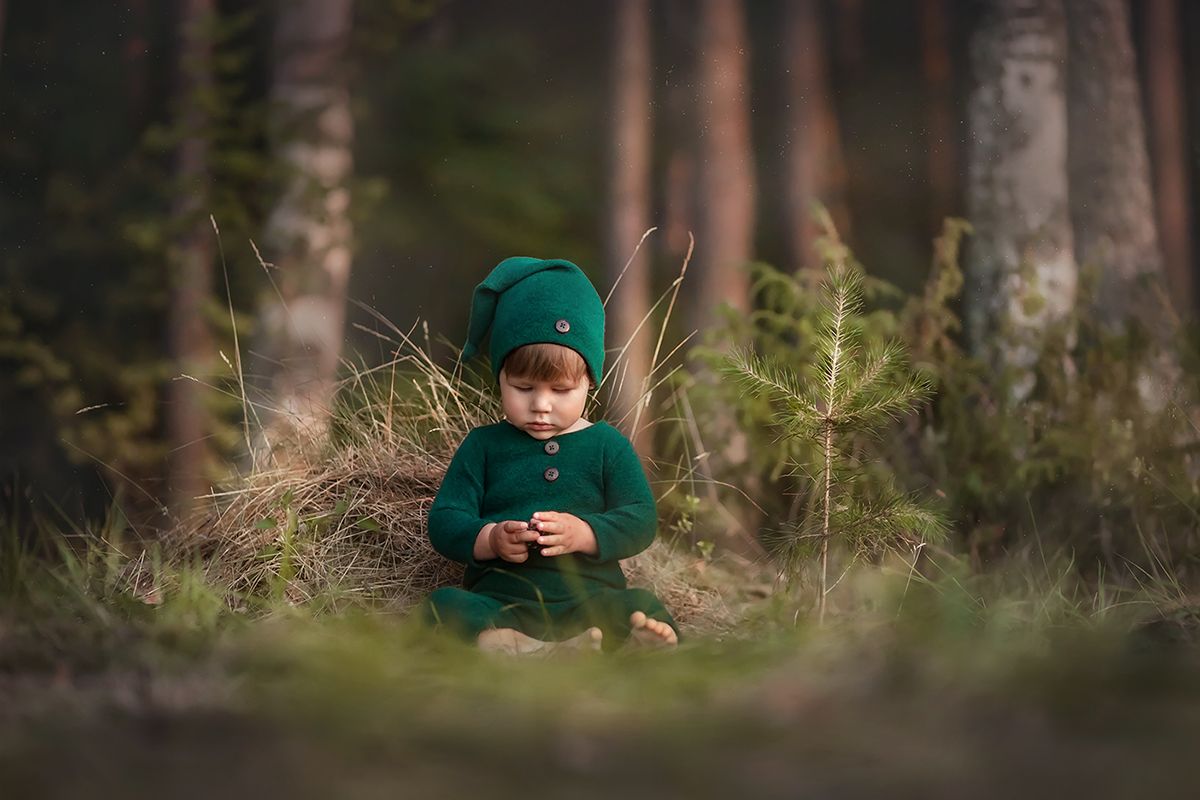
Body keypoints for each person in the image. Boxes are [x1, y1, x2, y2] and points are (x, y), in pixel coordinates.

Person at [423, 256, 678, 654]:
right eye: (523, 387)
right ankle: (514, 645)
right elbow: (445, 520)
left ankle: (634, 642)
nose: (541, 405)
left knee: (637, 605)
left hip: (589, 602)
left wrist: (586, 533)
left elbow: (641, 519)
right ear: (500, 378)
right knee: (444, 606)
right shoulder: (483, 445)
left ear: (588, 383)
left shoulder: (606, 445)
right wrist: (489, 538)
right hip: (503, 603)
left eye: (560, 391)